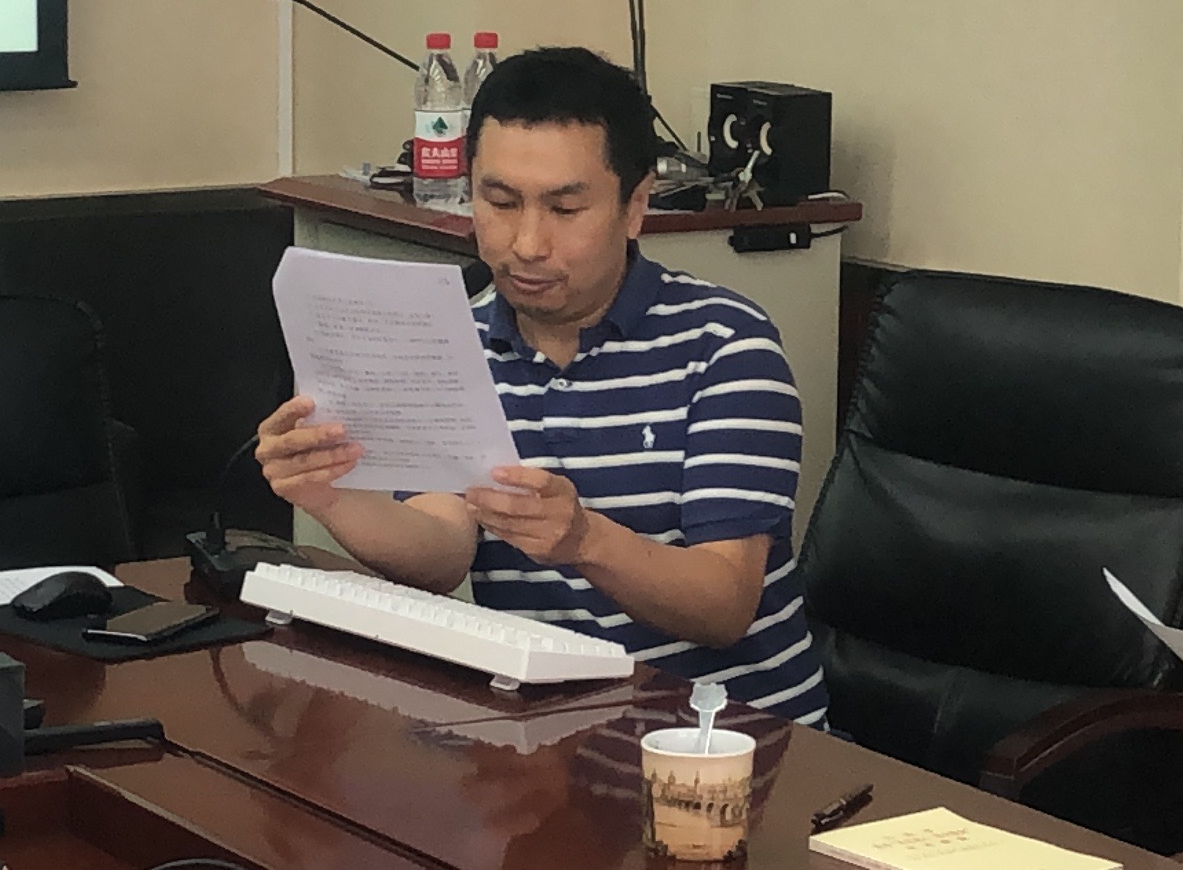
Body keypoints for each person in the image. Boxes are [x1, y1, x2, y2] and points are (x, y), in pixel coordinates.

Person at [255, 46, 829, 726]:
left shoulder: (725, 345)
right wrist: (332, 495)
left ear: (635, 205)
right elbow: (442, 551)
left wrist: (584, 540)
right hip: (550, 737)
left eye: (565, 208)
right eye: (500, 202)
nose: (527, 243)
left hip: (727, 744)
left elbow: (724, 605)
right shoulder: (457, 341)